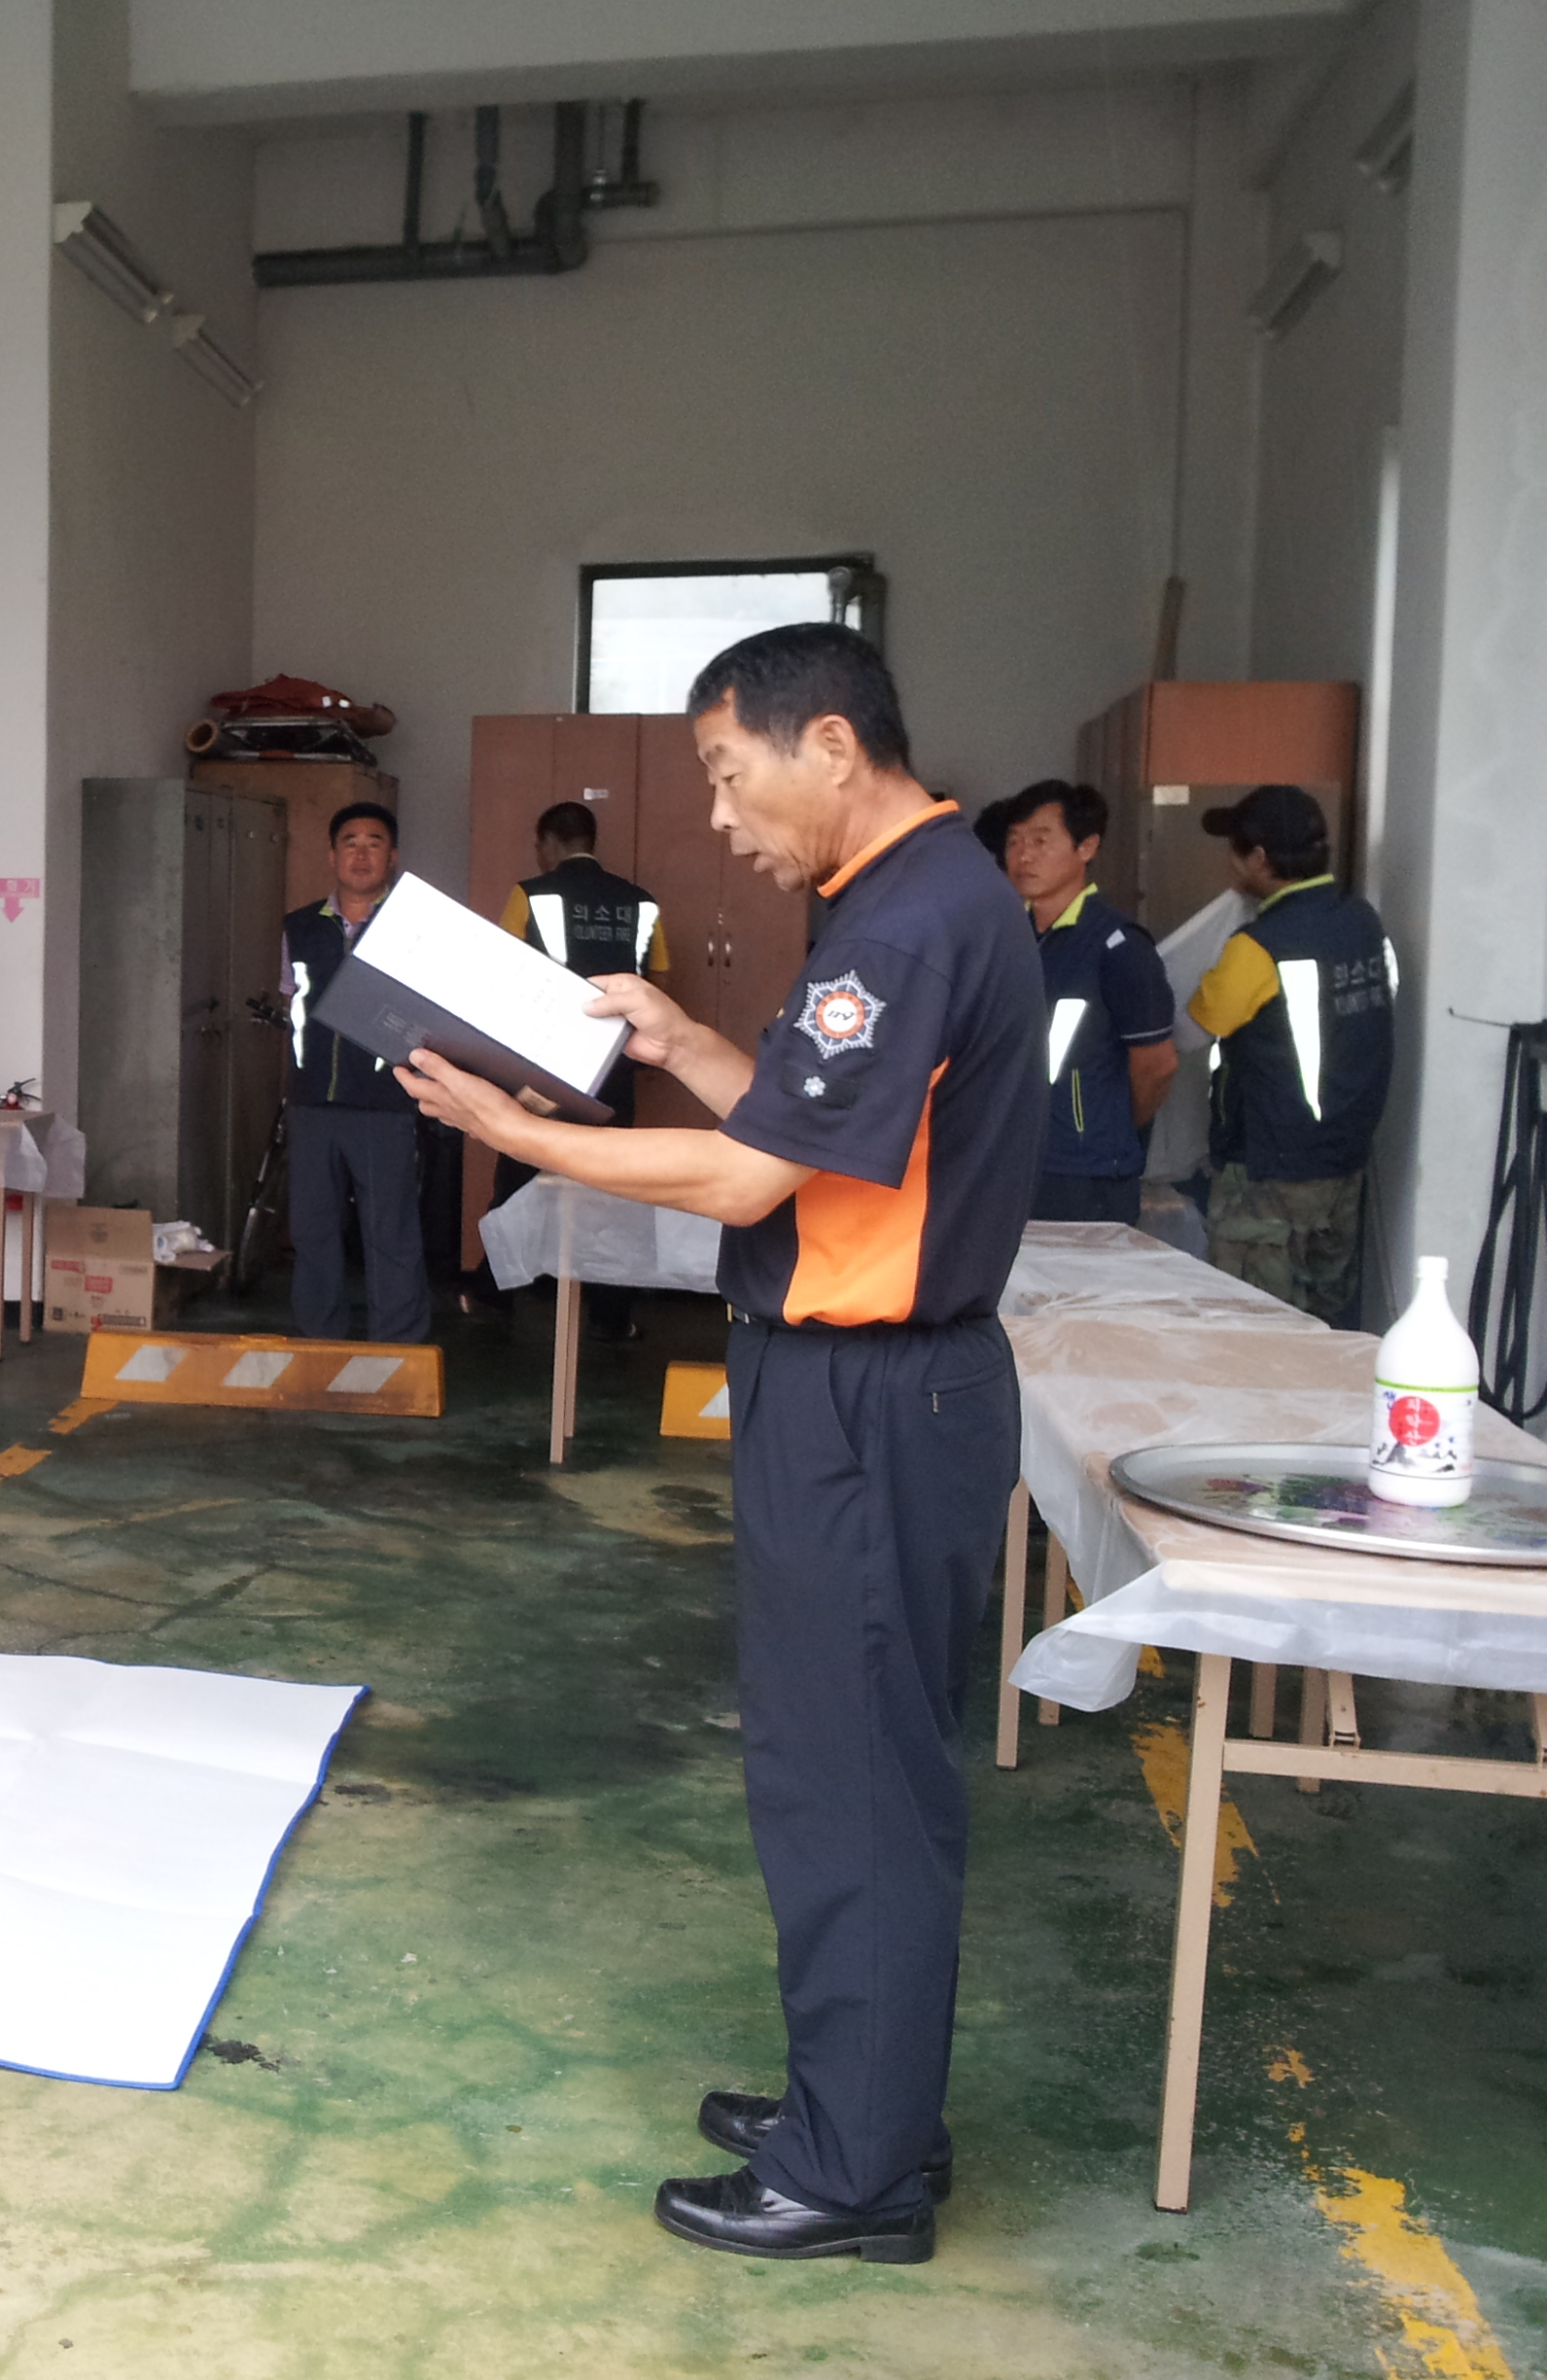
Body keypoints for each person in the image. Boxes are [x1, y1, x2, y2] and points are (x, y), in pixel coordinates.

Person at [399, 625, 1037, 2264]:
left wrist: (514, 1131)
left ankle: (854, 2175)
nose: (718, 814)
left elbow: (751, 1182)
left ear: (829, 744)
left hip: (868, 1396)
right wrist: (681, 1043)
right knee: (859, 1765)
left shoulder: (904, 921)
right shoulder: (916, 897)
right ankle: (865, 2106)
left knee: (845, 1780)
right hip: (872, 1390)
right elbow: (813, 1135)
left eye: (725, 771)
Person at [1184, 782, 1392, 1322]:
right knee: (1324, 1325)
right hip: (1344, 1162)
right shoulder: (1362, 921)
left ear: (1259, 859)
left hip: (1270, 1174)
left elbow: (1204, 1018)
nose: (1230, 865)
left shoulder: (1259, 945)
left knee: (1251, 1329)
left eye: (1235, 852)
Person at [497, 799, 674, 1338]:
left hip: (545, 1063)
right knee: (611, 1181)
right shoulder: (641, 902)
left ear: (550, 843)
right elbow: (659, 983)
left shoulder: (529, 894)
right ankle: (612, 1315)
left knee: (520, 1166)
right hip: (614, 1063)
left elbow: (504, 973)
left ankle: (491, 1291)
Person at [276, 801, 427, 1346]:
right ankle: (321, 1341)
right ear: (332, 855)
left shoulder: (413, 928)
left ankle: (399, 1349)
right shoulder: (299, 927)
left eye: (374, 842)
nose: (361, 854)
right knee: (313, 1230)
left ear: (393, 855)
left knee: (391, 1233)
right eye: (350, 843)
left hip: (385, 1102)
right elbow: (291, 1004)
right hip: (313, 1102)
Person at [998, 780, 1176, 1225]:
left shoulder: (1118, 946)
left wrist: (1104, 1125)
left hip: (1086, 1173)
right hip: (1012, 1161)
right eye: (1014, 841)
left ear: (1086, 847)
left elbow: (1156, 1065)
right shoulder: (1005, 936)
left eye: (1041, 841)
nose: (1023, 856)